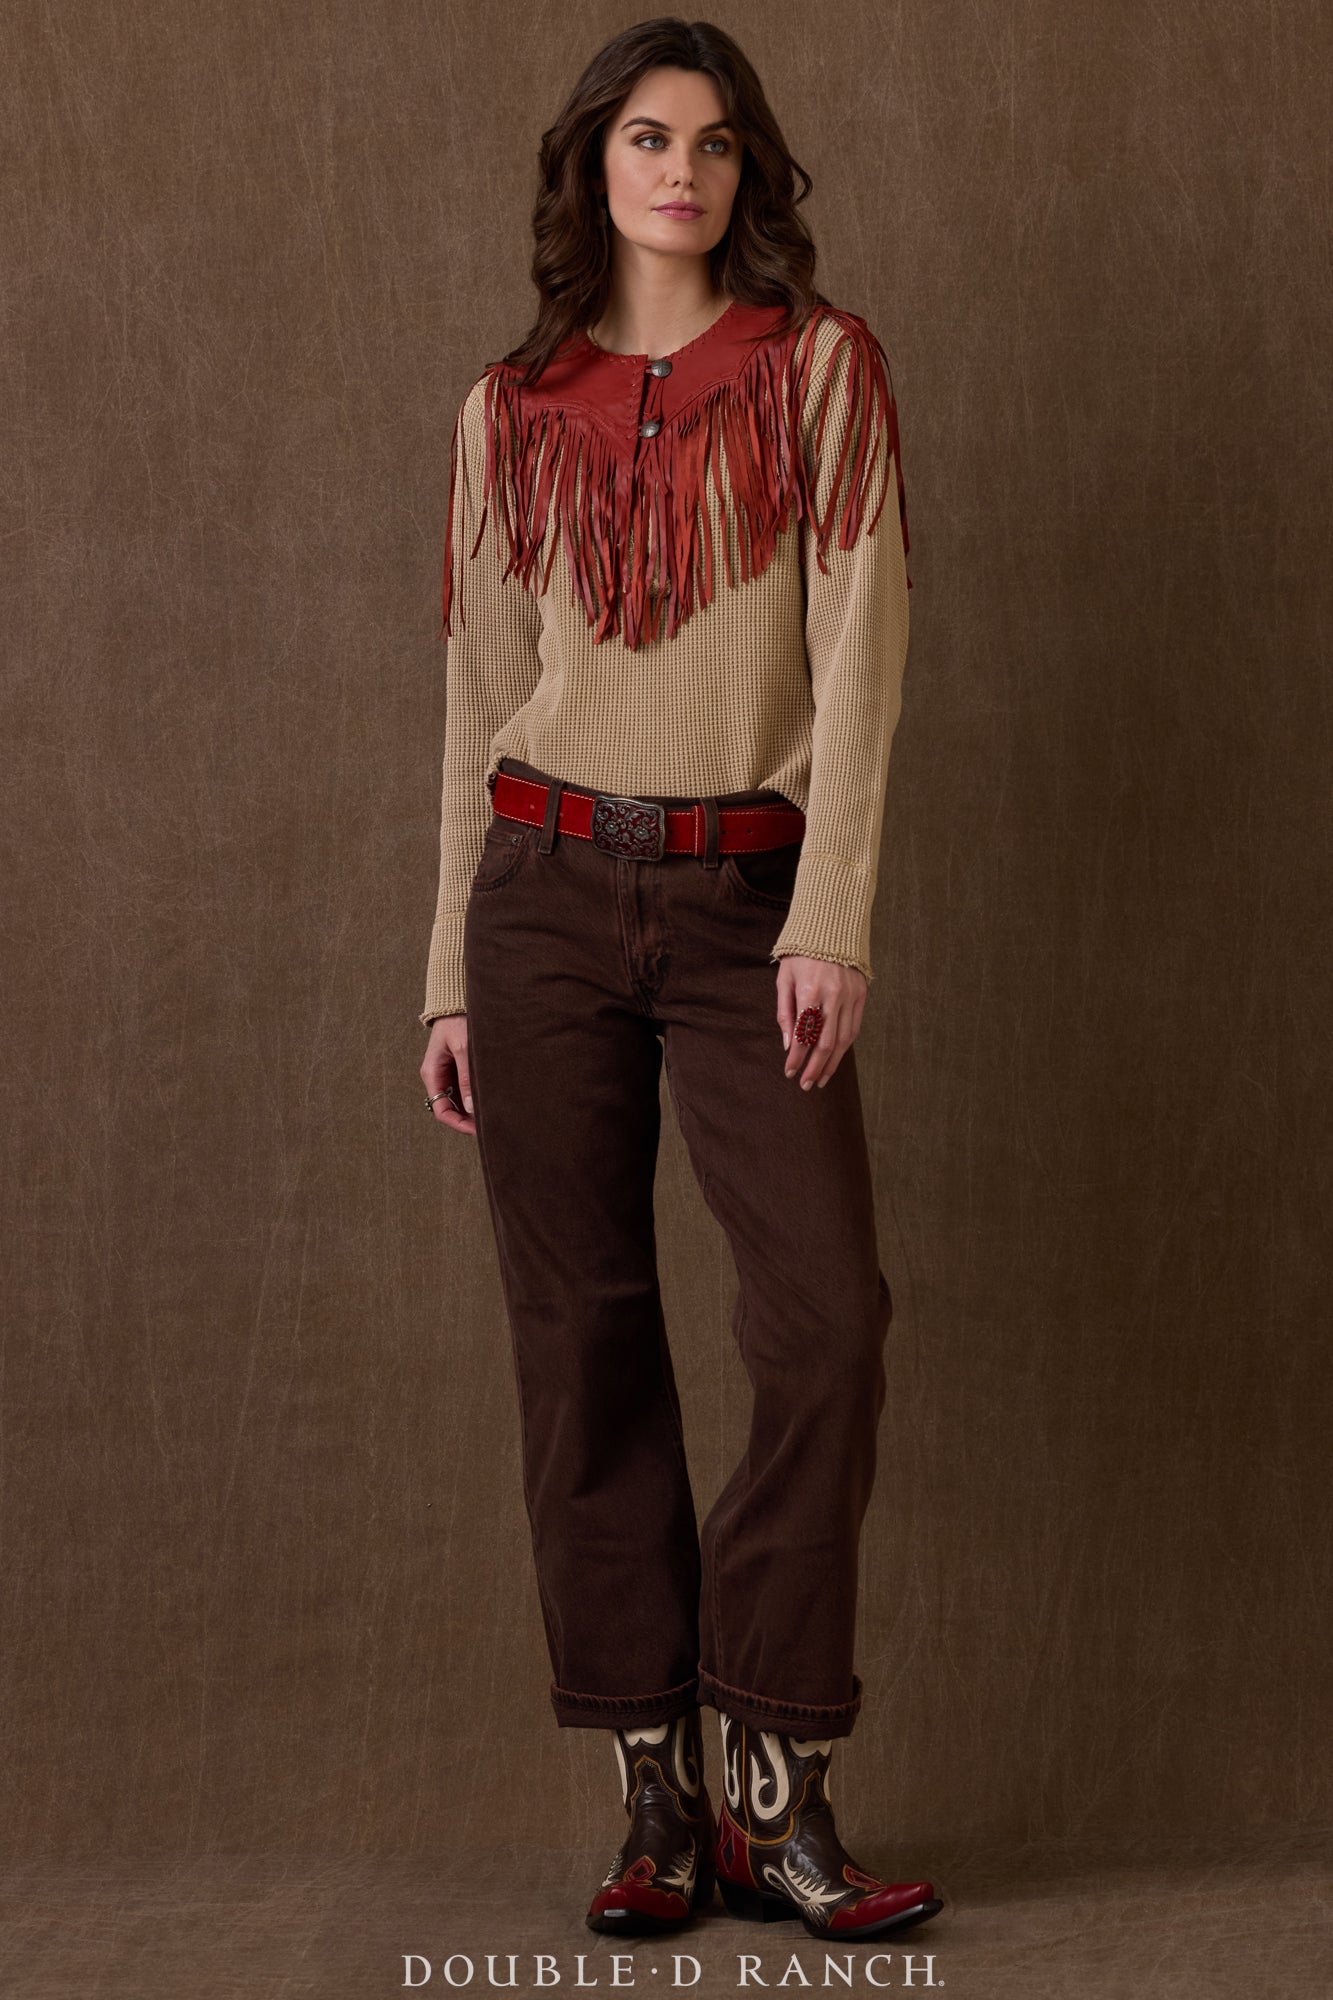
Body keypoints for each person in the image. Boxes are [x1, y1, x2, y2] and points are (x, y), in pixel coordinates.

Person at [418, 19, 942, 1946]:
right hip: (539, 895)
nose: (681, 173)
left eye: (716, 145)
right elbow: (476, 693)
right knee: (582, 1338)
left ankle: (773, 1782)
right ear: (594, 164)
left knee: (826, 1323)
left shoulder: (817, 372)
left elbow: (864, 657)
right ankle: (652, 1794)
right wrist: (445, 969)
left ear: (748, 174)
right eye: (648, 138)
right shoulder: (508, 408)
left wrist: (831, 917)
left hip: (744, 900)